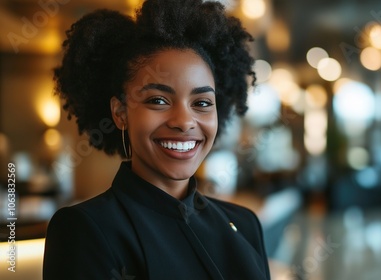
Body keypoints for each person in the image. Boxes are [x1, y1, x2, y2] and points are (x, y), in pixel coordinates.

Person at [42, 0, 270, 279]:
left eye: (201, 103)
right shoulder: (85, 229)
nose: (184, 121)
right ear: (120, 112)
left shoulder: (244, 224)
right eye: (158, 100)